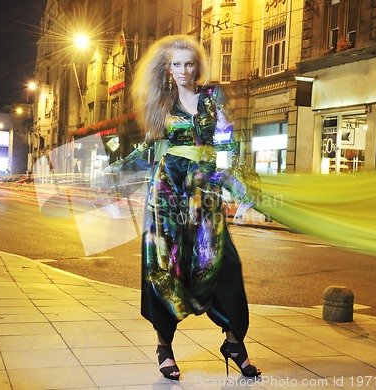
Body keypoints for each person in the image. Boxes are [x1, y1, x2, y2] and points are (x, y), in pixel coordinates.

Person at [110, 34, 261, 380]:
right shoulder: (161, 103)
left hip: (205, 192)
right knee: (167, 265)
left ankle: (234, 343)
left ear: (198, 66)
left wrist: (238, 180)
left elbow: (227, 141)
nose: (183, 70)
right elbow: (149, 148)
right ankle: (164, 347)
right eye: (176, 64)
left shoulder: (212, 97)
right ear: (167, 67)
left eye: (188, 63)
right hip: (168, 191)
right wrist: (116, 170)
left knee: (224, 264)